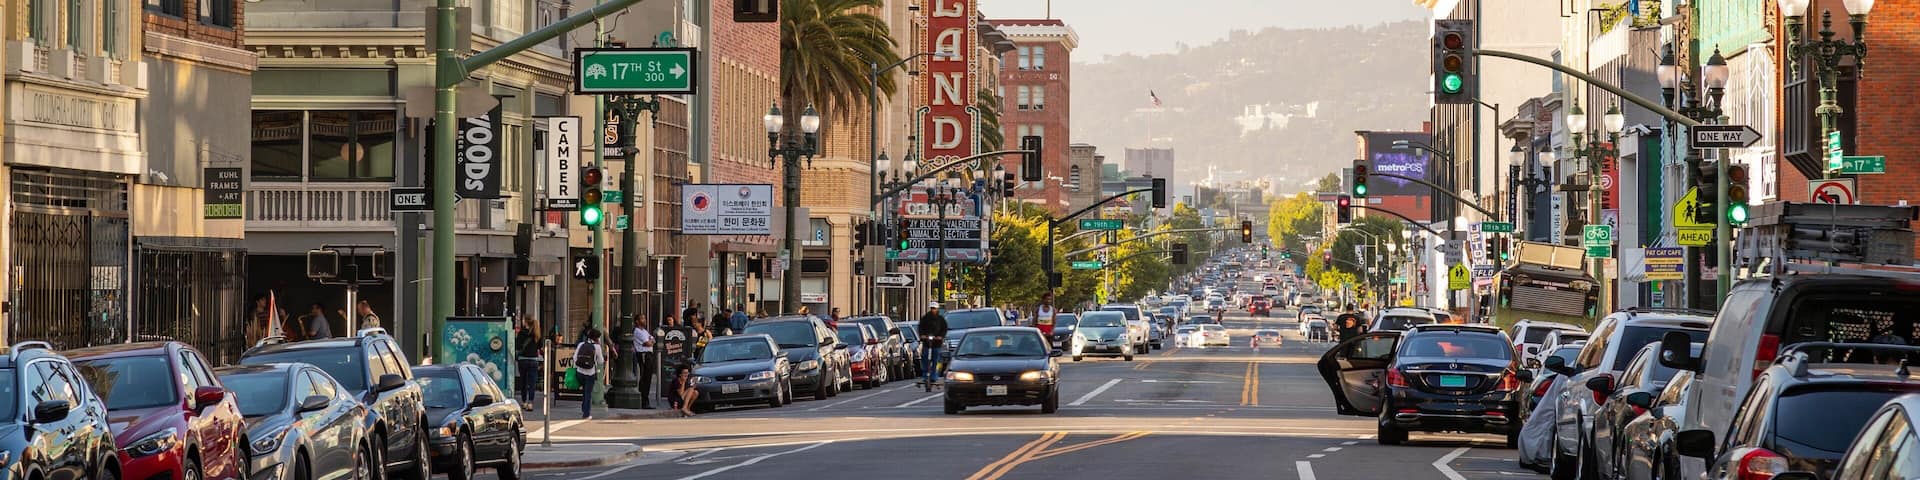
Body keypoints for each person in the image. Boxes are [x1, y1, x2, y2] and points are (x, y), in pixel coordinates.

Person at [573, 328, 607, 419]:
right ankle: (586, 413)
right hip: (590, 373)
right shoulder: (597, 347)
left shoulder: (581, 344)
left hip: (580, 372)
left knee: (584, 392)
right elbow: (600, 361)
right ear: (596, 338)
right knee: (588, 393)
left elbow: (575, 358)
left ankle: (584, 408)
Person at [918, 302, 949, 392]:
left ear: (937, 309)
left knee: (936, 359)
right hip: (927, 342)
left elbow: (944, 329)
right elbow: (920, 327)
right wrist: (922, 335)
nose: (933, 310)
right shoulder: (925, 318)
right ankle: (925, 376)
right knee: (924, 357)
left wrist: (940, 336)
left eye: (934, 308)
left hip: (936, 343)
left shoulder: (941, 319)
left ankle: (934, 375)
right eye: (932, 308)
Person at [513, 315, 542, 410]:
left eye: (523, 320)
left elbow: (517, 346)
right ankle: (530, 403)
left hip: (523, 360)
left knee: (523, 382)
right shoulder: (536, 333)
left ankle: (524, 402)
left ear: (525, 322)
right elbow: (539, 347)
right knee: (532, 382)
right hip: (534, 360)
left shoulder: (521, 333)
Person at [632, 318, 656, 409]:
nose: (644, 320)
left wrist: (650, 341)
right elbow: (648, 343)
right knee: (644, 378)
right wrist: (649, 342)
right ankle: (643, 401)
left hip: (649, 354)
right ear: (637, 321)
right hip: (643, 355)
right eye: (642, 318)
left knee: (648, 378)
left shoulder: (645, 331)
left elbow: (653, 340)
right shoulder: (637, 331)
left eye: (645, 318)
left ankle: (646, 400)